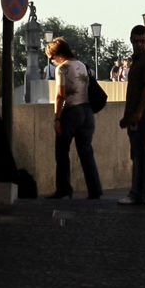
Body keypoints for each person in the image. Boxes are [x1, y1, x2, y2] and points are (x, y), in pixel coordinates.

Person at [46, 38, 102, 200]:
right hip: (87, 112)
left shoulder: (62, 68)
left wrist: (57, 118)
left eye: (52, 56)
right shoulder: (82, 65)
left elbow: (60, 95)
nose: (52, 60)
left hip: (71, 112)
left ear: (59, 54)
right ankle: (95, 189)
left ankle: (64, 189)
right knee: (86, 153)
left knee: (62, 152)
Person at [118, 24, 145, 205]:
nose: (139, 44)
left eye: (142, 41)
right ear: (131, 41)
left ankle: (138, 194)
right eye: (136, 41)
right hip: (143, 114)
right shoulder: (140, 59)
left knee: (140, 155)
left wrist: (138, 113)